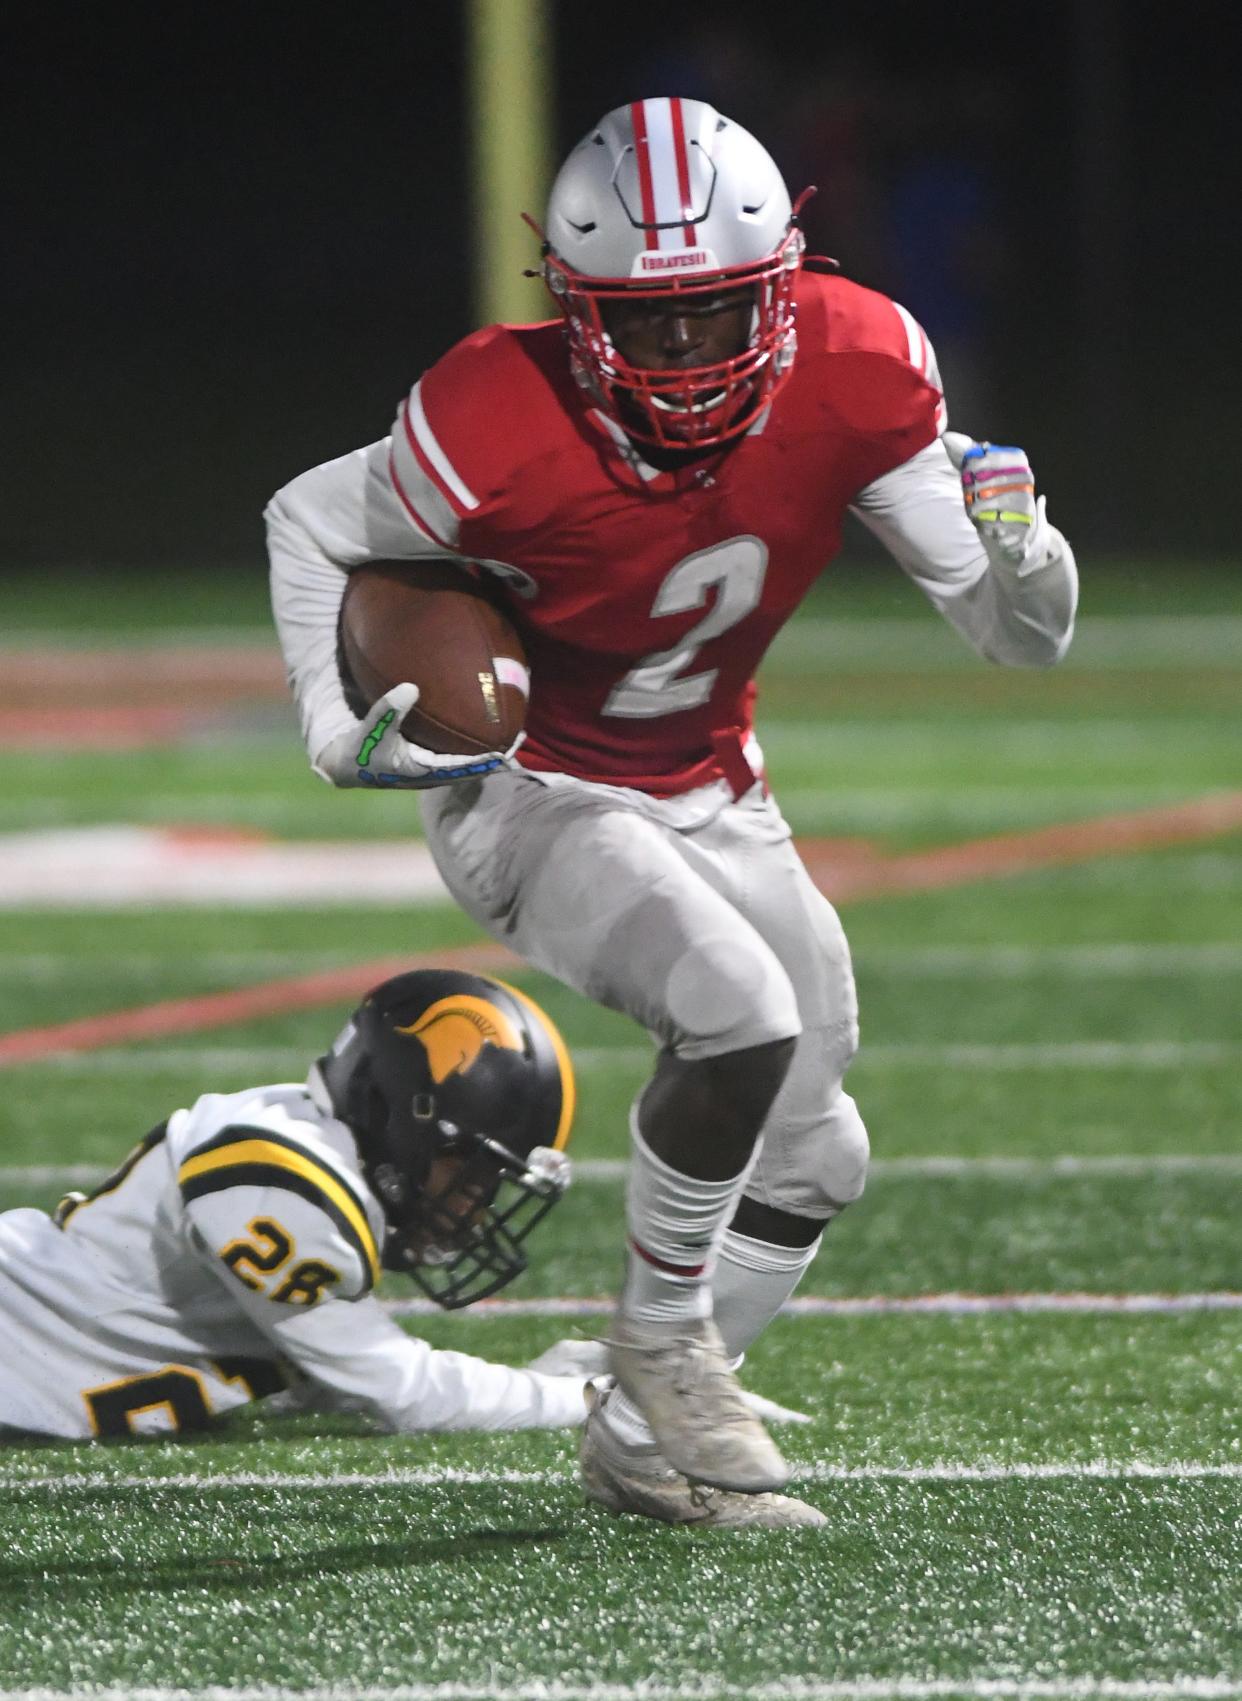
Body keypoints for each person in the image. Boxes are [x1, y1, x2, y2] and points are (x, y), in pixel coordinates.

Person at [266, 98, 1078, 1528]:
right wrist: (339, 735)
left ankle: (642, 1444)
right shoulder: (491, 414)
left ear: (784, 284)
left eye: (714, 314)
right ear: (574, 311)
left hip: (709, 781)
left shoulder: (861, 362)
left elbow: (1017, 639)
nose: (684, 353)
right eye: (643, 322)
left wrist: (1028, 553)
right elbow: (308, 516)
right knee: (736, 1008)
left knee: (820, 1146)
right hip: (532, 786)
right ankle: (658, 1340)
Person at [0, 970, 595, 1443]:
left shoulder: (313, 1145)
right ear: (398, 1118)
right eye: (466, 1172)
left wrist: (528, 1385)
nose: (473, 1205)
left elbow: (333, 1373)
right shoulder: (283, 1180)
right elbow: (402, 1389)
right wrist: (584, 1400)